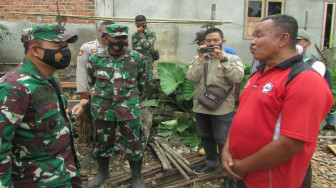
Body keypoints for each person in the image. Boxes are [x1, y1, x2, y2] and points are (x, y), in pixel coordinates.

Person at [221, 14, 334, 188]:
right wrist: (227, 149)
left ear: (283, 39)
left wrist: (243, 167)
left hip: (270, 180)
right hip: (239, 173)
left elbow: (291, 143)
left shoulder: (305, 80)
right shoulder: (259, 74)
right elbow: (241, 118)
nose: (253, 41)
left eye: (259, 36)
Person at [0, 25, 81, 187]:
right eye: (58, 47)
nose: (65, 52)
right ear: (35, 50)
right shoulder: (13, 87)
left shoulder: (51, 80)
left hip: (64, 175)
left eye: (66, 46)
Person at [87, 24, 147, 188]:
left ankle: (137, 176)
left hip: (128, 108)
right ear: (106, 39)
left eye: (123, 38)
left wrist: (129, 100)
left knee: (134, 142)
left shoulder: (137, 58)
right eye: (116, 38)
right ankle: (103, 172)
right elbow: (91, 82)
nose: (120, 41)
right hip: (103, 109)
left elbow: (142, 83)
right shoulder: (95, 59)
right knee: (102, 141)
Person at [187, 28, 244, 175]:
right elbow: (192, 77)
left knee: (223, 140)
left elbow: (237, 78)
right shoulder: (199, 58)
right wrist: (200, 59)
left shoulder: (231, 58)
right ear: (204, 42)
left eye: (216, 40)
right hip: (201, 107)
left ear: (223, 42)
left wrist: (222, 59)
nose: (212, 43)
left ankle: (227, 171)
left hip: (222, 109)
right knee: (206, 137)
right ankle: (211, 163)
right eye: (208, 41)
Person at [76, 21, 121, 154]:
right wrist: (83, 91)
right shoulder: (88, 48)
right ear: (99, 31)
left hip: (114, 93)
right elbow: (82, 71)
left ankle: (111, 144)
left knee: (112, 120)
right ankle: (97, 146)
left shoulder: (118, 48)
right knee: (96, 120)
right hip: (96, 93)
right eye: (107, 32)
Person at [132, 15, 156, 98]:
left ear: (146, 23)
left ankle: (148, 99)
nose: (141, 26)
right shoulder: (134, 35)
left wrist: (141, 34)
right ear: (135, 24)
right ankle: (139, 98)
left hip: (147, 60)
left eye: (143, 24)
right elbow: (133, 48)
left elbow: (147, 46)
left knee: (148, 80)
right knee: (137, 79)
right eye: (138, 24)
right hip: (137, 60)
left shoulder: (151, 34)